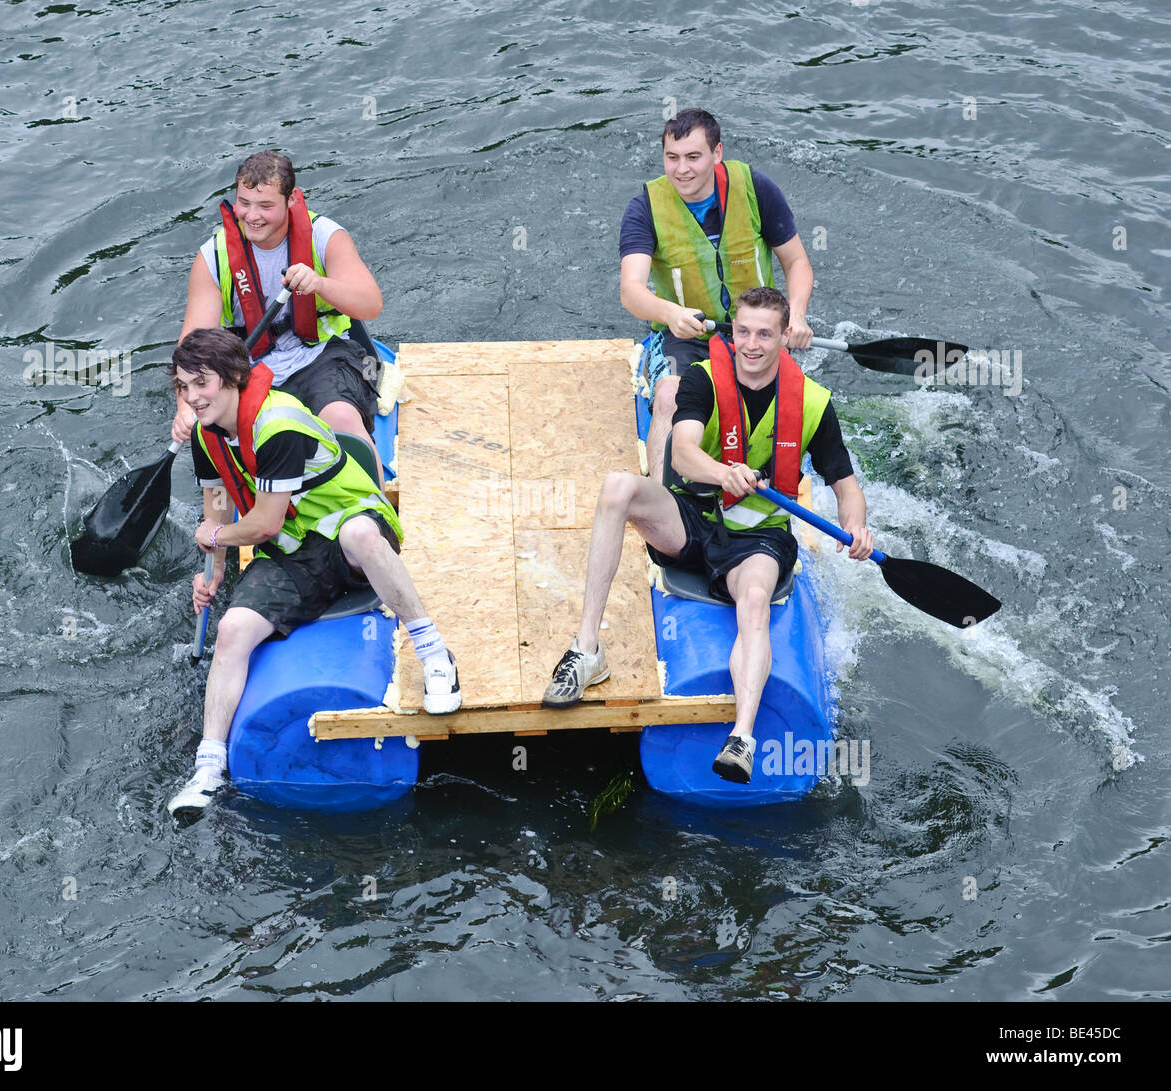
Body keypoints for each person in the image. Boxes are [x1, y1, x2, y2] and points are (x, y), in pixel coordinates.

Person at [541, 288, 871, 784]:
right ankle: (587, 649)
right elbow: (684, 454)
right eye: (743, 332)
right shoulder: (703, 379)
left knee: (755, 597)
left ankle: (741, 737)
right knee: (617, 489)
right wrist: (723, 473)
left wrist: (856, 527)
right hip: (694, 519)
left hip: (759, 537)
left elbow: (846, 486)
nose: (751, 344)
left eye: (764, 334)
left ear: (785, 337)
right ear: (731, 332)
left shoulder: (814, 405)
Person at [165, 328, 461, 815]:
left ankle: (434, 654)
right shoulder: (205, 435)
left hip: (348, 528)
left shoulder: (276, 424)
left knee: (359, 536)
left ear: (235, 378)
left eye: (202, 383)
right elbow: (217, 505)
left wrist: (216, 539)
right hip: (291, 553)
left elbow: (262, 522)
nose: (193, 397)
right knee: (234, 628)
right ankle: (209, 768)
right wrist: (212, 573)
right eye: (183, 387)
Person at [620, 108, 815, 483]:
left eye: (693, 157)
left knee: (774, 405)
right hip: (688, 337)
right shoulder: (644, 207)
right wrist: (670, 313)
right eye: (672, 158)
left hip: (755, 331)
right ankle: (665, 502)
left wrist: (798, 316)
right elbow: (631, 291)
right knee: (668, 397)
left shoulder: (756, 189)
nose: (682, 170)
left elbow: (797, 262)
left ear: (717, 153)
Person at [171, 150, 385, 480]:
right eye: (244, 203)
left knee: (340, 419)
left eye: (265, 206)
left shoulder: (325, 236)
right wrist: (185, 407)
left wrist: (320, 284)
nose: (251, 216)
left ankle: (376, 511)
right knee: (219, 434)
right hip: (252, 369)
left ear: (290, 202)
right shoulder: (213, 256)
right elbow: (192, 345)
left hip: (322, 355)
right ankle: (234, 520)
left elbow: (371, 305)